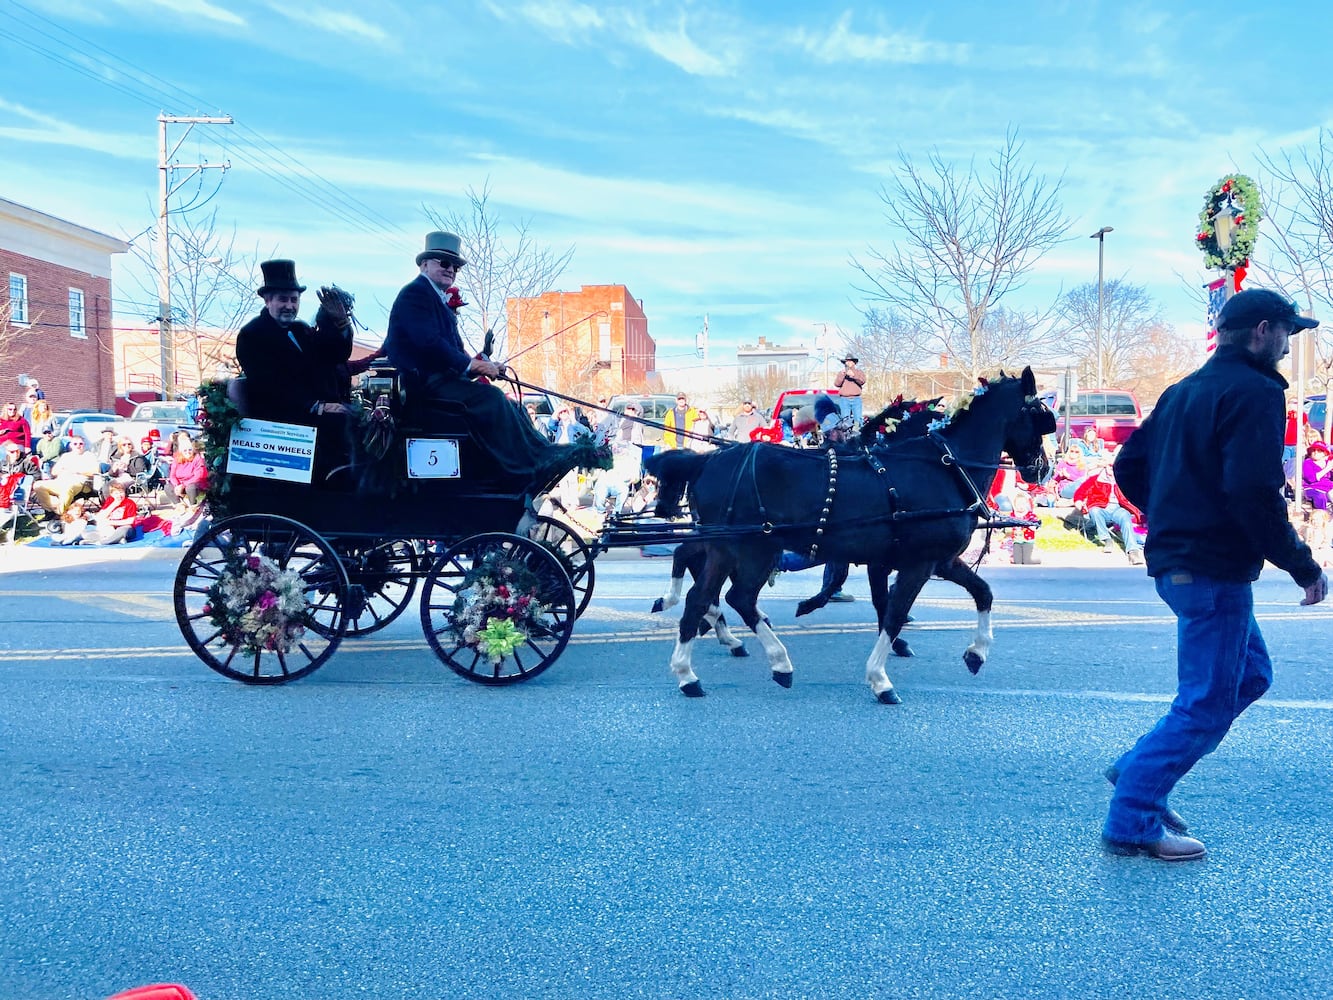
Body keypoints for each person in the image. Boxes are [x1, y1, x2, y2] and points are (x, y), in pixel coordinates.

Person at [1103, 288, 1328, 863]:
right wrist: (1302, 564)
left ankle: (1138, 770)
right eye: (1286, 331)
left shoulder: (1184, 390)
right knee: (1206, 702)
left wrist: (1174, 513)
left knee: (1251, 675)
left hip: (1183, 561)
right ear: (1260, 330)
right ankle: (1133, 816)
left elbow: (1128, 465)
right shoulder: (1254, 390)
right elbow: (1252, 491)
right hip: (1212, 567)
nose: (1288, 343)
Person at [381, 231, 572, 484]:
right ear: (424, 264)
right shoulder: (415, 294)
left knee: (511, 405)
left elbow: (453, 352)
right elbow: (429, 343)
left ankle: (539, 455)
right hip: (424, 385)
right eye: (444, 263)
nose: (451, 269)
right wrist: (473, 365)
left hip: (442, 381)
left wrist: (485, 365)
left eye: (456, 266)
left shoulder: (435, 299)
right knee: (491, 398)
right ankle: (520, 467)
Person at [235, 259, 355, 426]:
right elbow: (268, 386)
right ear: (268, 300)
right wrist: (315, 406)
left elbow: (334, 355)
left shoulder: (301, 330)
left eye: (294, 300)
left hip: (316, 416)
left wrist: (341, 324)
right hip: (281, 422)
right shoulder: (252, 335)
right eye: (283, 300)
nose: (289, 306)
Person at [1071, 465, 1145, 565]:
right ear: (1105, 466)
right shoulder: (1095, 479)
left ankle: (1133, 552)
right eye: (1109, 466)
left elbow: (1135, 493)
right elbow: (1080, 492)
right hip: (1100, 508)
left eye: (1113, 466)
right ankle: (1107, 539)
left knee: (1125, 516)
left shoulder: (1122, 480)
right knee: (1095, 510)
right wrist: (1079, 501)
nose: (1111, 468)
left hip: (1118, 509)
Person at [32, 437, 99, 516]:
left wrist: (77, 471)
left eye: (81, 444)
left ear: (84, 445)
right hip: (60, 481)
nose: (78, 446)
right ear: (71, 445)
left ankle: (60, 513)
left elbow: (96, 471)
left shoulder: (89, 455)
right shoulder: (65, 456)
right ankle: (54, 508)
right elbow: (54, 472)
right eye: (75, 444)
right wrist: (63, 469)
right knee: (38, 485)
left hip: (79, 483)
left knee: (67, 488)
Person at [86, 480, 139, 544]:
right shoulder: (110, 501)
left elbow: (130, 521)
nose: (119, 495)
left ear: (125, 492)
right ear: (111, 494)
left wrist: (111, 522)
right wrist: (114, 505)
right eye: (116, 493)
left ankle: (103, 542)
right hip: (110, 529)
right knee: (89, 530)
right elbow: (100, 517)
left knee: (123, 530)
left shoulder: (130, 503)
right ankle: (118, 540)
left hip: (124, 527)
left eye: (121, 492)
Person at [164, 438, 208, 506]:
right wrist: (177, 485)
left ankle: (193, 505)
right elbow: (172, 475)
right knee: (167, 487)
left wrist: (183, 485)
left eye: (190, 450)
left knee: (191, 488)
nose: (188, 452)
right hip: (180, 485)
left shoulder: (197, 458)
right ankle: (179, 505)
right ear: (181, 451)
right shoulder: (177, 459)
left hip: (194, 484)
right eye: (185, 450)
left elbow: (198, 476)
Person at [834, 356, 866, 426]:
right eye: (847, 361)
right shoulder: (841, 373)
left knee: (858, 419)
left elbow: (862, 381)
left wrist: (853, 376)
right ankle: (847, 435)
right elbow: (837, 384)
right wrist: (842, 375)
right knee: (845, 420)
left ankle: (857, 433)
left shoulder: (859, 372)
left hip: (856, 399)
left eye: (850, 361)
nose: (848, 362)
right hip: (844, 400)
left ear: (854, 363)